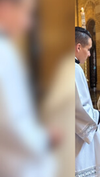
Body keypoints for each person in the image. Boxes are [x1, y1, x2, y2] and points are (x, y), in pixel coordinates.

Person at [0, 0, 58, 176]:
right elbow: (10, 121)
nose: (28, 24)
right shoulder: (4, 54)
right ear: (6, 7)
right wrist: (45, 139)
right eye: (27, 13)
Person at [75, 27, 100, 177]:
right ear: (78, 47)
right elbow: (78, 108)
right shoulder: (74, 69)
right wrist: (97, 115)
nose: (89, 54)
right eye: (88, 49)